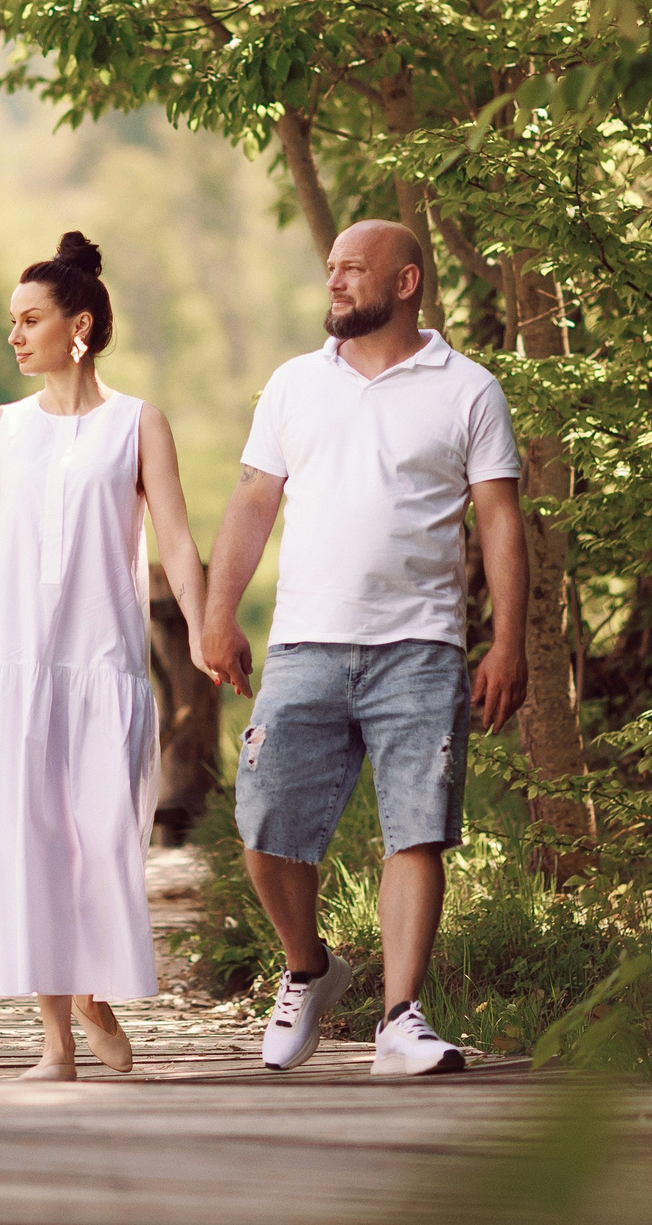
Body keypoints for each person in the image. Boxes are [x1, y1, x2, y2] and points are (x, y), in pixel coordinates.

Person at [199, 220, 528, 1076]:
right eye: (332, 268)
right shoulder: (293, 384)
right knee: (265, 828)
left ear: (407, 280)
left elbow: (498, 517)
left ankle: (400, 1019)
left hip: (421, 646)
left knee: (416, 832)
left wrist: (507, 641)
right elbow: (250, 503)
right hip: (305, 642)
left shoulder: (468, 389)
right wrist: (217, 612)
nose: (336, 281)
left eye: (354, 269)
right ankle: (309, 968)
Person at [0, 231, 211, 1081]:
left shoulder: (138, 424)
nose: (15, 336)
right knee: (29, 840)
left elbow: (174, 537)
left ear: (80, 325)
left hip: (99, 661)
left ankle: (99, 989)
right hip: (7, 665)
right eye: (11, 322)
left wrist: (207, 634)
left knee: (100, 838)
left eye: (30, 319)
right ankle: (56, 1040)